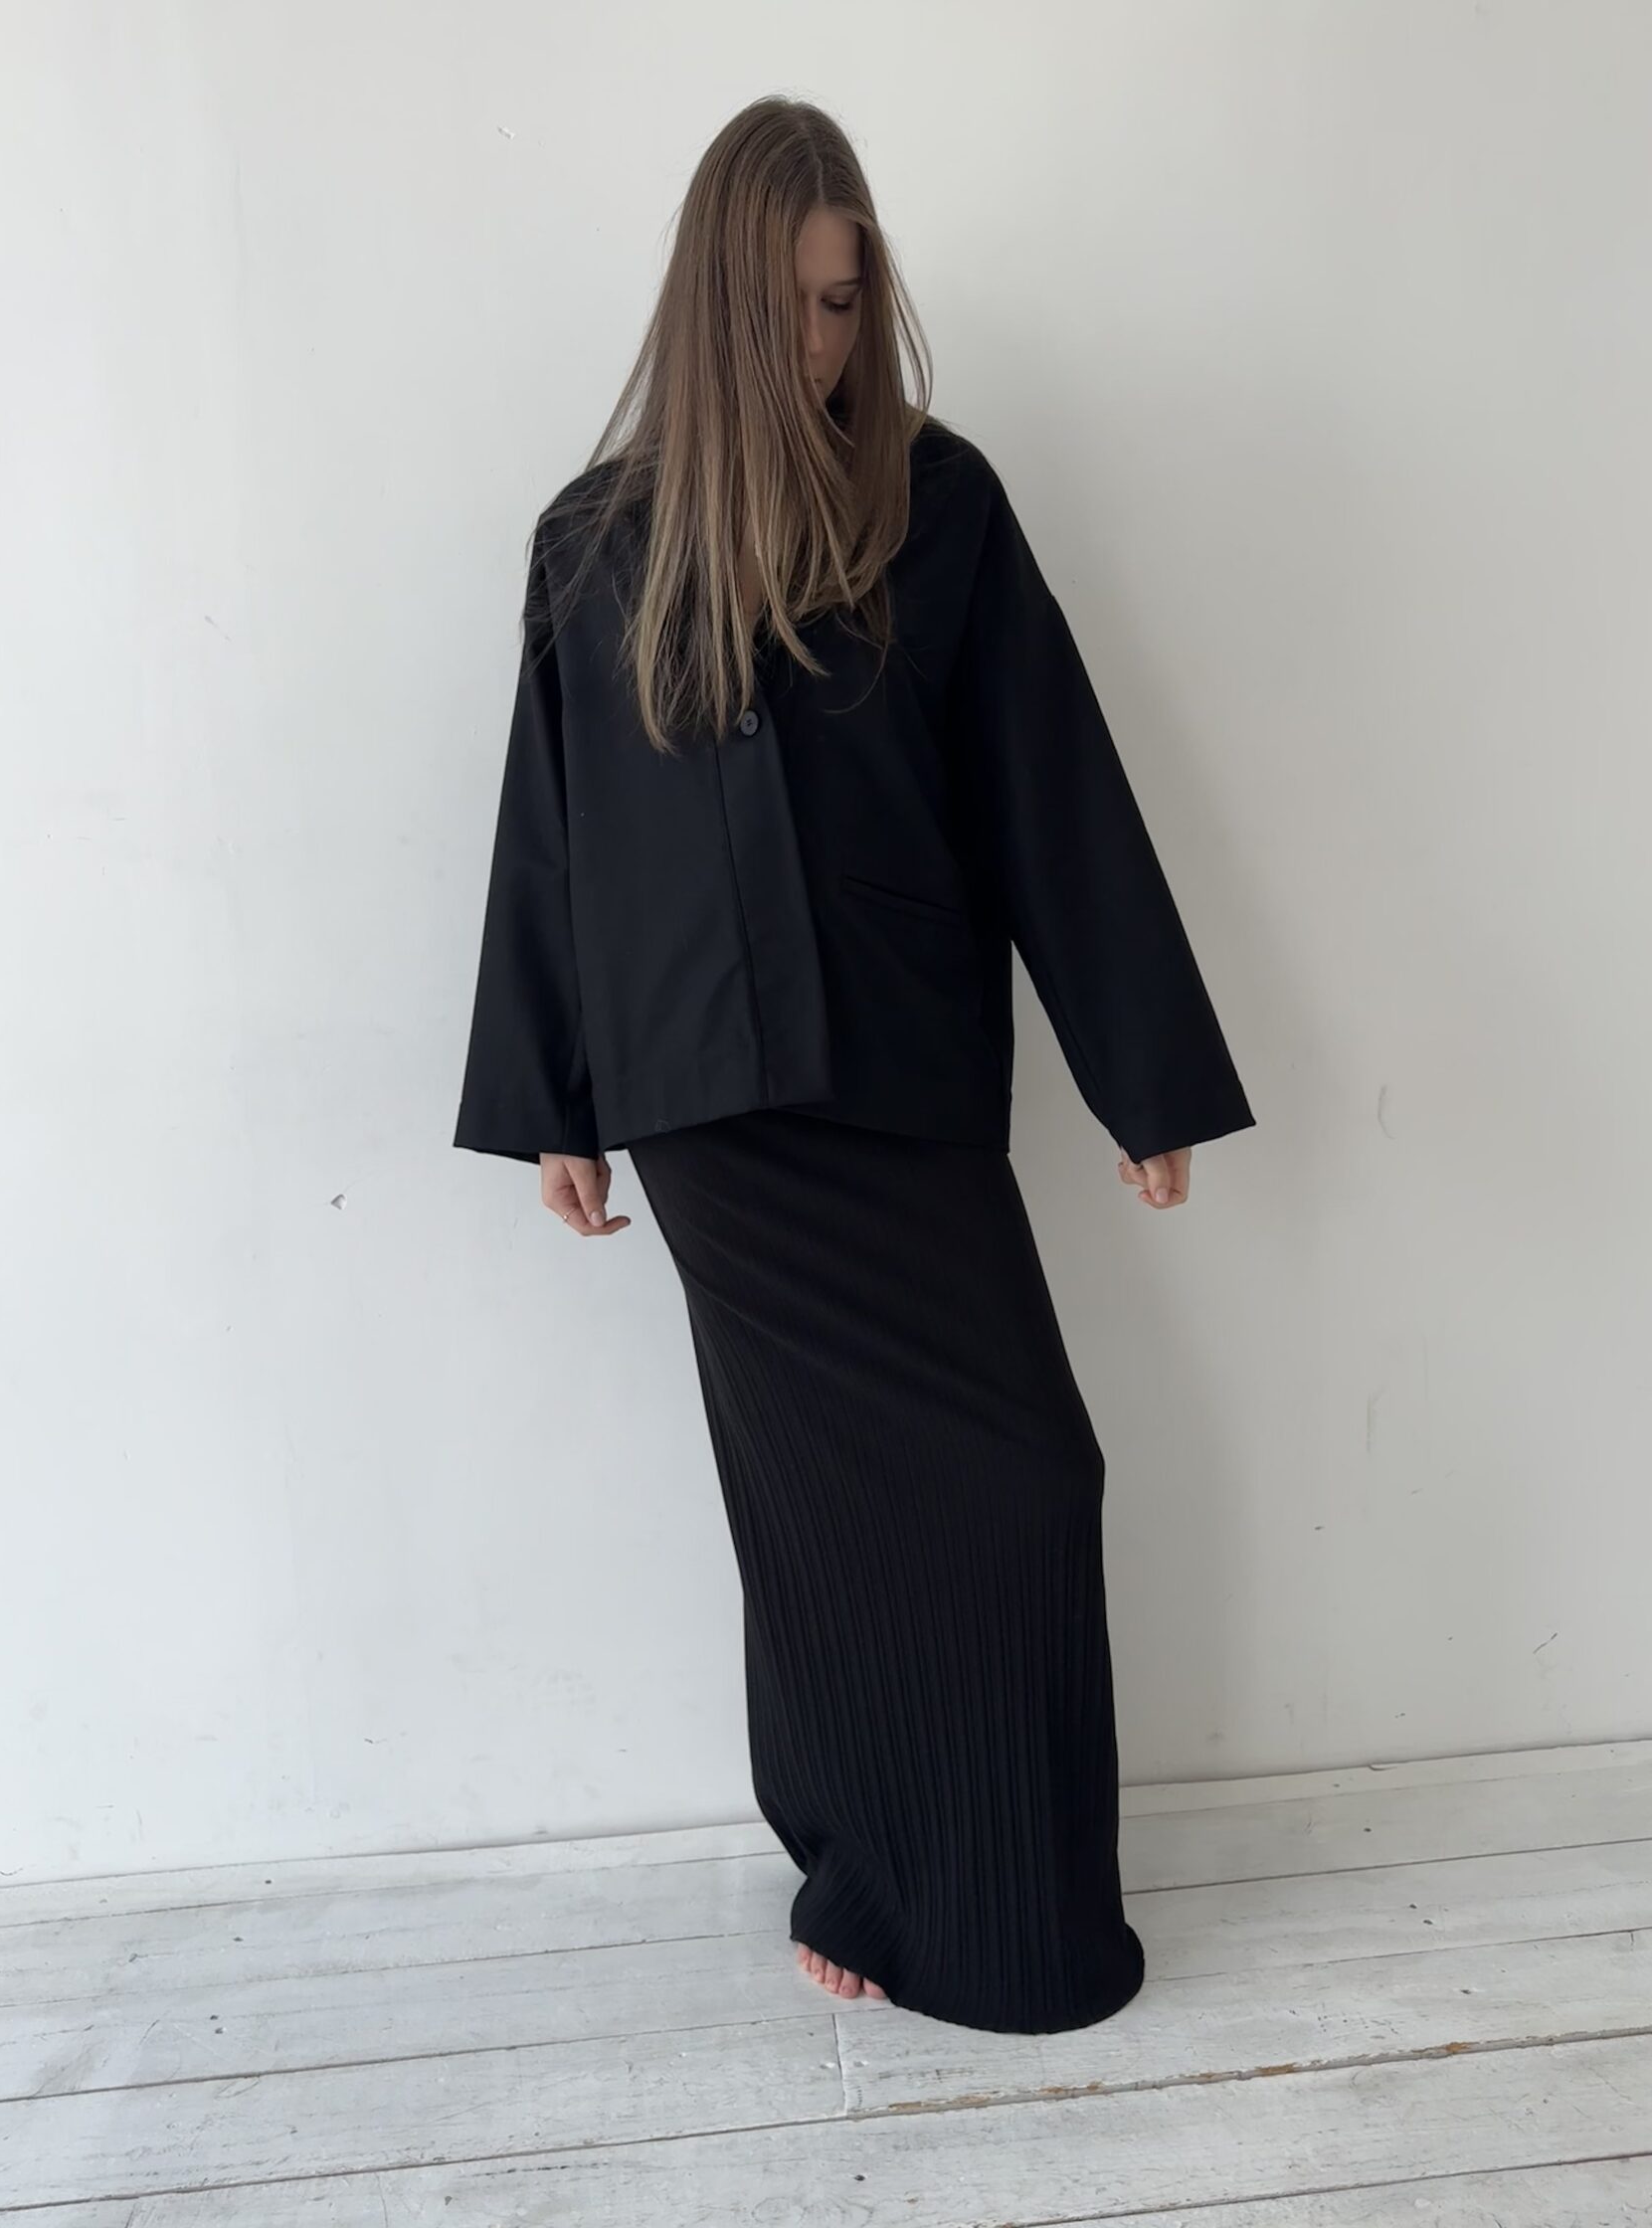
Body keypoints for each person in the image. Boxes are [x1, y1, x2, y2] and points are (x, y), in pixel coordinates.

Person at [453, 94, 1256, 2034]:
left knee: (1027, 1479)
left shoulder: (936, 502)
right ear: (717, 302)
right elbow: (552, 834)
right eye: (795, 304)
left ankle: (1007, 1907)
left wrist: (1142, 1072)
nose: (826, 340)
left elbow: (1048, 784)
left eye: (846, 300)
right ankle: (858, 1860)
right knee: (817, 1512)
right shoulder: (595, 541)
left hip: (904, 1078)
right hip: (709, 1111)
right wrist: (553, 1103)